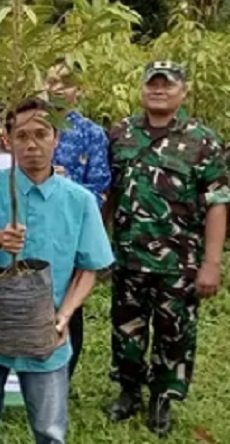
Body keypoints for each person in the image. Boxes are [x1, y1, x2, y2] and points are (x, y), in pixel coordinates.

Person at [0, 97, 114, 444]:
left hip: (47, 332)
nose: (32, 144)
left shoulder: (79, 200)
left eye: (41, 134)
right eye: (22, 135)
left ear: (56, 139)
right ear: (7, 141)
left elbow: (90, 268)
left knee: (49, 430)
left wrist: (64, 316)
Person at [105, 61, 229, 437]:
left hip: (179, 261)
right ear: (141, 89)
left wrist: (211, 262)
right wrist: (97, 246)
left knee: (175, 332)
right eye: (152, 84)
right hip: (127, 256)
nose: (158, 90)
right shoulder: (120, 134)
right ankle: (128, 391)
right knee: (126, 329)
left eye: (167, 85)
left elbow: (218, 202)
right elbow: (108, 194)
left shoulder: (202, 140)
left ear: (182, 92)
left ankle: (162, 396)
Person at [44, 59, 111, 384]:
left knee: (70, 306)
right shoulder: (31, 124)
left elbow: (98, 190)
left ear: (78, 90)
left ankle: (63, 378)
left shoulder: (91, 134)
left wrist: (64, 185)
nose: (57, 88)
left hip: (70, 234)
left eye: (65, 82)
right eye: (51, 81)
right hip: (29, 231)